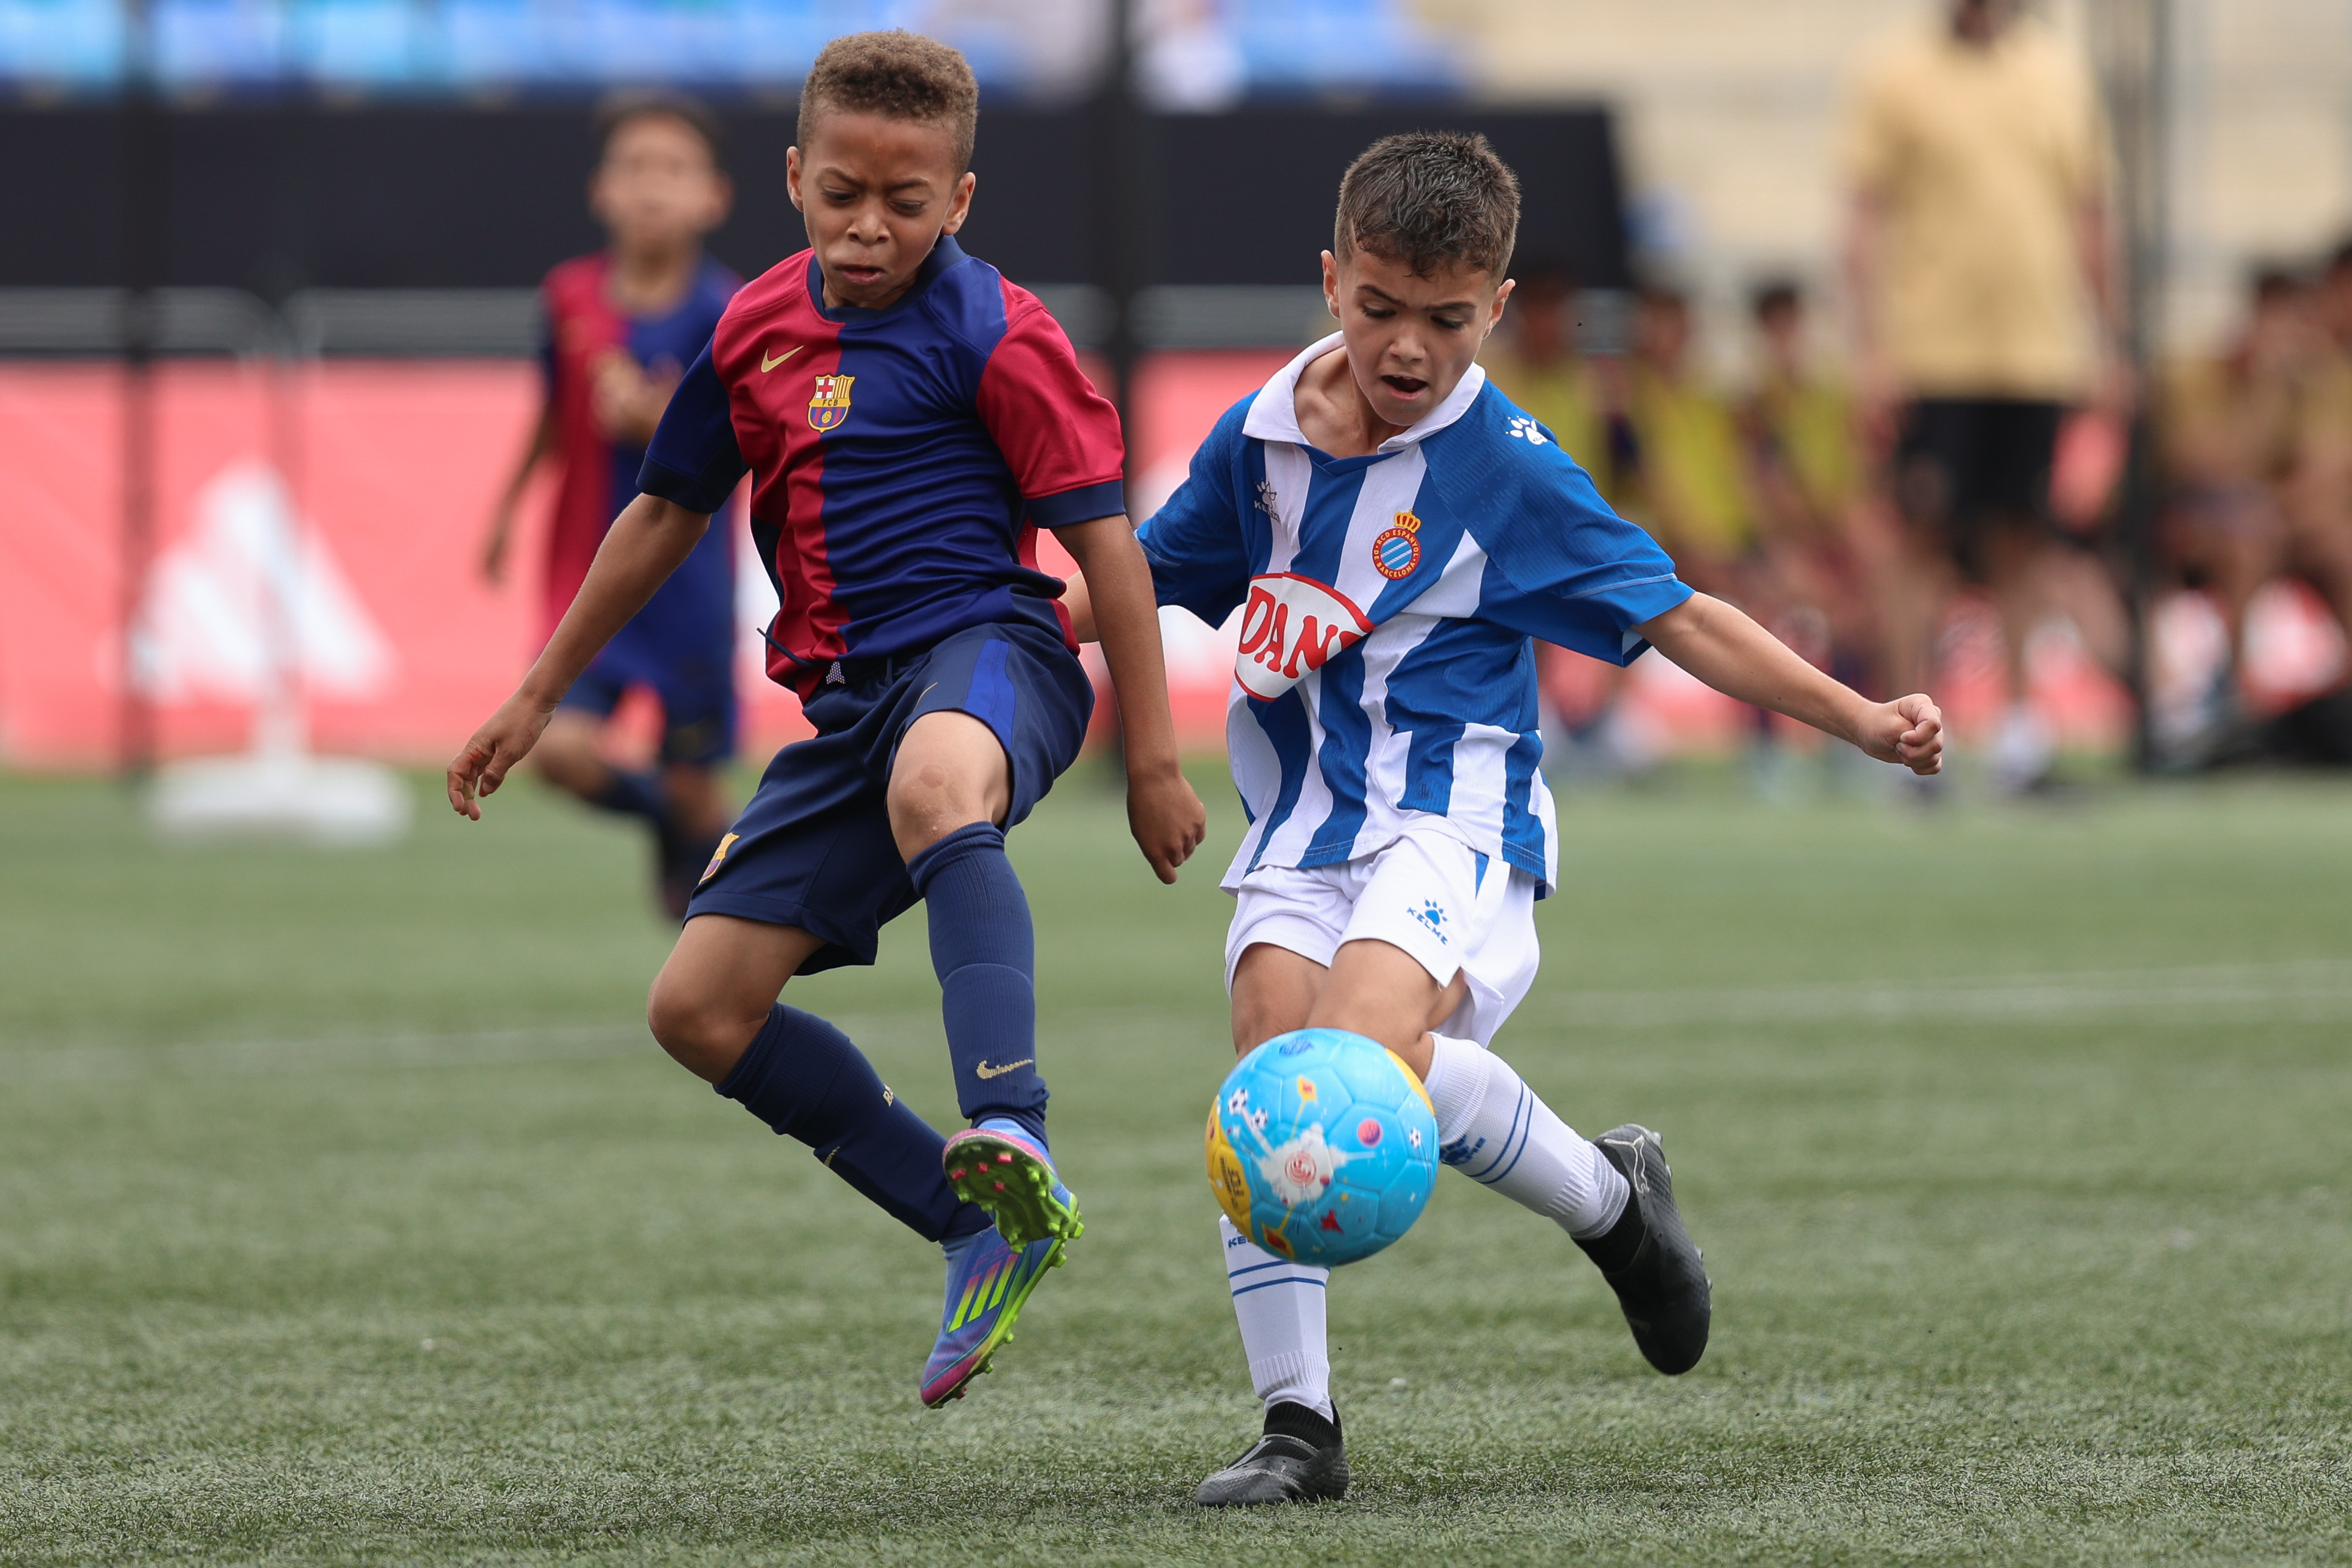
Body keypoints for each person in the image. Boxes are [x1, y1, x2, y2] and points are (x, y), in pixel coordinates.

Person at [1064, 132, 1944, 1503]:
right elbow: (1139, 581)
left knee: (1351, 1061)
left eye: (1447, 318)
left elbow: (1680, 616)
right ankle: (1305, 1419)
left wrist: (1863, 717)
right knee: (1267, 1076)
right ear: (1330, 280)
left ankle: (1603, 1212)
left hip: (1450, 812)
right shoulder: (1260, 437)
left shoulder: (1508, 469)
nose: (1407, 347)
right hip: (1300, 819)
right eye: (1378, 308)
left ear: (1498, 307)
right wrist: (990, 632)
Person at [448, 32, 1206, 1410]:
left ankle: (1013, 1130)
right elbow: (664, 508)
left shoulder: (998, 330)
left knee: (936, 785)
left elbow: (1108, 549)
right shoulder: (753, 327)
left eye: (905, 203)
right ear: (796, 176)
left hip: (995, 656)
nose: (868, 226)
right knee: (697, 1008)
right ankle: (973, 1222)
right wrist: (539, 692)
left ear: (958, 199)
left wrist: (1150, 759)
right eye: (842, 193)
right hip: (849, 708)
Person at [1843, 0, 2128, 791]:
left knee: (2023, 544)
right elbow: (1864, 214)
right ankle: (1902, 738)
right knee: (1918, 542)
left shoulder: (2058, 70)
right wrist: (1870, 350)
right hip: (1931, 354)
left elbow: (2088, 212)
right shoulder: (1894, 72)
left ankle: (2018, 742)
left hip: (2036, 354)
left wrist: (2109, 337)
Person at [481, 94, 745, 918]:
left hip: (690, 590)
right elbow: (553, 412)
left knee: (697, 789)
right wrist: (505, 510)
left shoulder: (731, 314)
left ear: (714, 196)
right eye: (634, 167)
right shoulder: (569, 297)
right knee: (559, 751)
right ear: (601, 189)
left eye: (673, 168)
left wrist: (658, 425)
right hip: (590, 580)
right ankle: (677, 825)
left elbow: (748, 444)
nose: (651, 186)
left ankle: (712, 879)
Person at [1743, 279, 1883, 698]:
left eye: (1791, 326)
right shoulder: (1756, 405)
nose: (1786, 340)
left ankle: (1866, 700)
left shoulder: (1831, 395)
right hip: (1789, 541)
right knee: (1818, 598)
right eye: (1777, 329)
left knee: (1874, 598)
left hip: (1835, 533)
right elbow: (1765, 488)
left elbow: (1855, 470)